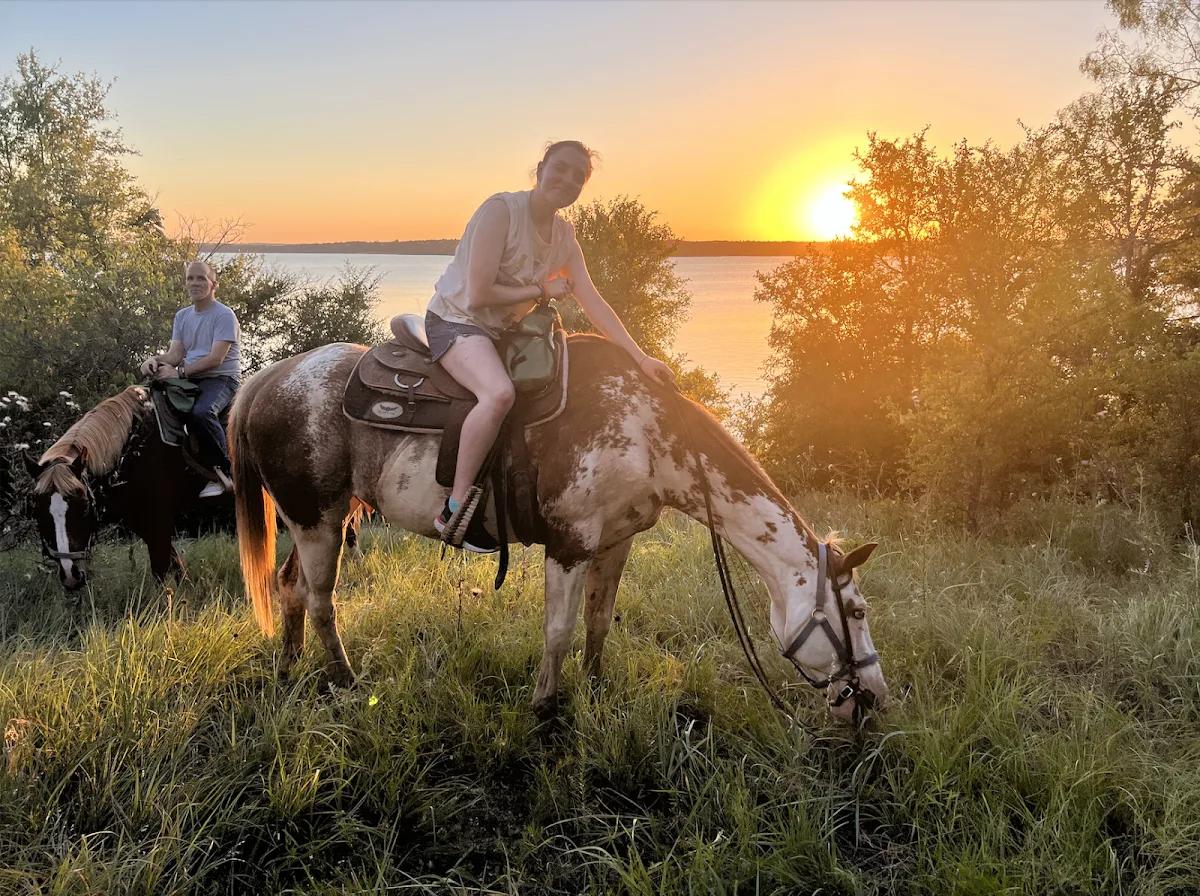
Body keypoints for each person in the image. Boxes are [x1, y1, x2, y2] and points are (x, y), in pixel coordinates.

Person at [426, 140, 675, 552]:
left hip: (503, 334)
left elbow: (593, 301)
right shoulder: (501, 211)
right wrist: (543, 288)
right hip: (457, 321)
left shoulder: (564, 237)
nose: (568, 180)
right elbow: (478, 293)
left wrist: (641, 356)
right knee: (498, 394)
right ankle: (455, 511)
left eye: (579, 177)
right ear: (540, 169)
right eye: (561, 168)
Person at [140, 260, 241, 498]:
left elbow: (216, 359)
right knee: (141, 400)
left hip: (221, 379)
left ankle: (228, 472)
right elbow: (175, 355)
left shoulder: (224, 315)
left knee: (203, 412)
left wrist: (180, 373)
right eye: (190, 278)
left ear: (213, 284)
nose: (194, 283)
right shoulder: (183, 316)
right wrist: (153, 361)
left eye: (200, 278)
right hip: (190, 377)